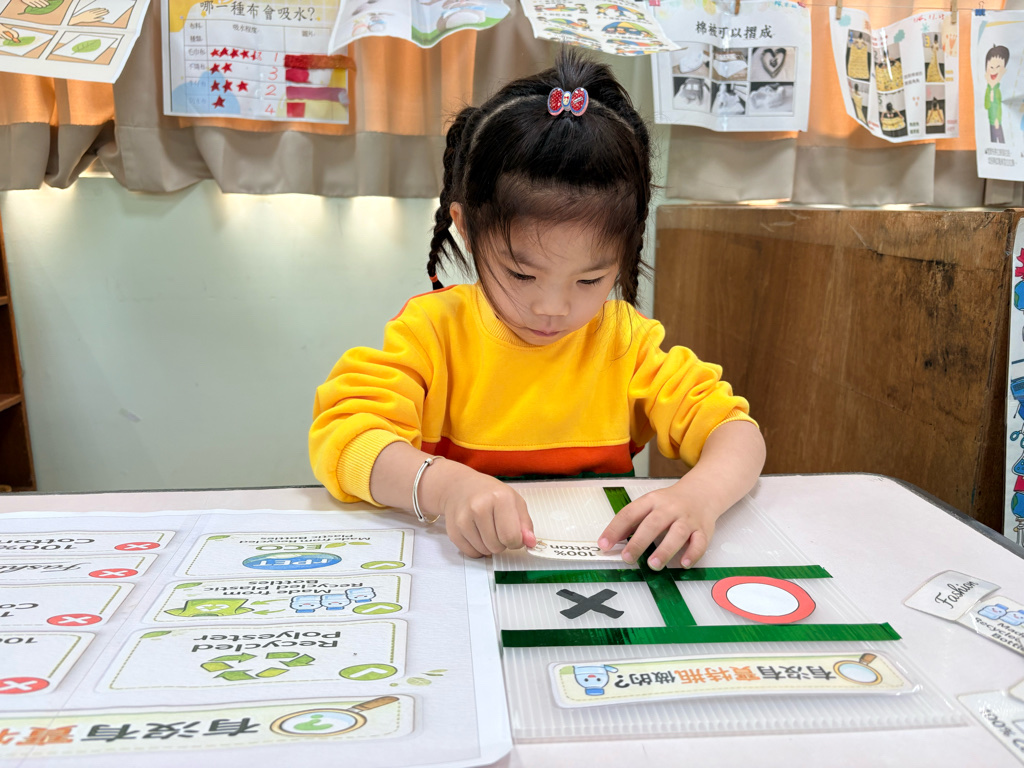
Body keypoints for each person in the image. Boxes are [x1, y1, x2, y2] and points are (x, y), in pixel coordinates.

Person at [309, 49, 766, 570]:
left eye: (590, 280)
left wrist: (700, 497)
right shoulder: (433, 332)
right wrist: (447, 486)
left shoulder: (627, 341)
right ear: (466, 229)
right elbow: (346, 437)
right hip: (465, 567)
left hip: (597, 566)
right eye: (521, 275)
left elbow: (737, 431)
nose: (552, 308)